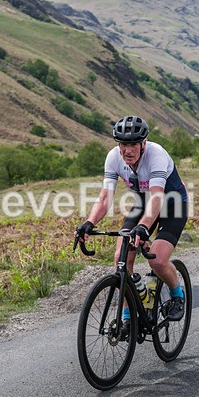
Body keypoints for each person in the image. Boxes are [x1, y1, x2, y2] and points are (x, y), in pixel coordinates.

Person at [74, 116, 189, 338]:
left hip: (173, 203)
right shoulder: (113, 158)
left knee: (156, 259)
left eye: (133, 144)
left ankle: (177, 294)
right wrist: (89, 223)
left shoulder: (156, 155)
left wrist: (144, 227)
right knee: (121, 257)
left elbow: (157, 198)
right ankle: (127, 318)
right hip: (144, 204)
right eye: (123, 144)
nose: (127, 150)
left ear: (143, 143)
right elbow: (105, 198)